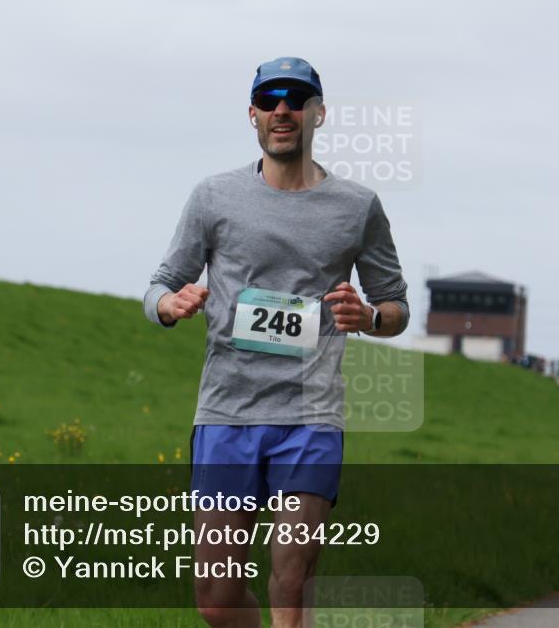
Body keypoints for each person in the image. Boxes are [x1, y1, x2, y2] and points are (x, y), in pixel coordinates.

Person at [142, 57, 410, 628]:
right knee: (216, 598)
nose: (281, 110)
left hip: (311, 417)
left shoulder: (358, 206)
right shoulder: (213, 197)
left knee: (292, 584)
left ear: (318, 114)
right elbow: (161, 285)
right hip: (225, 414)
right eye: (269, 101)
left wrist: (368, 316)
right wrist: (170, 306)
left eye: (295, 99)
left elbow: (396, 307)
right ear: (253, 116)